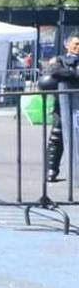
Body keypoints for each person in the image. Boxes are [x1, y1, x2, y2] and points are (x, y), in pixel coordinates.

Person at [41, 35, 79, 182]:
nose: (78, 47)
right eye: (75, 44)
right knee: (57, 136)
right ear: (67, 45)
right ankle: (51, 169)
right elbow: (55, 71)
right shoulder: (59, 60)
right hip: (62, 104)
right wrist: (75, 74)